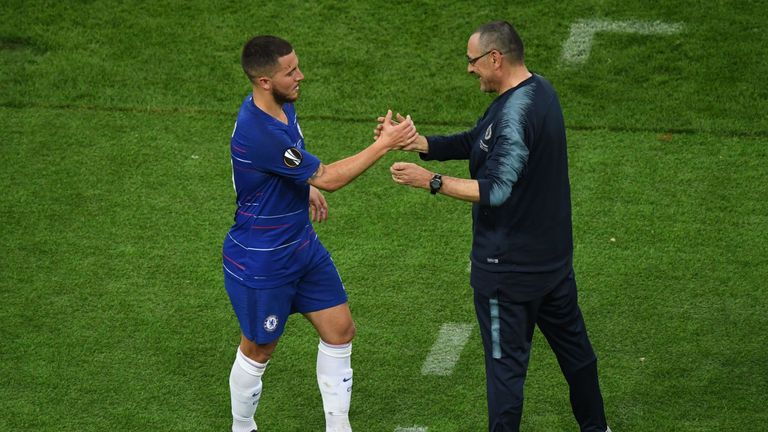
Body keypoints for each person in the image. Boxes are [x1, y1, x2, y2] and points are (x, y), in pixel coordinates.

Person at [384, 21, 610, 432]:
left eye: (473, 61)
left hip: (507, 274)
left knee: (506, 380)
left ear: (495, 59)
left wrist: (429, 181)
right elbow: (480, 140)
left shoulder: (513, 114)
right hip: (552, 268)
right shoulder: (539, 91)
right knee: (579, 359)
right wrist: (422, 145)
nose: (470, 70)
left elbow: (497, 190)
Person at [224, 35, 416, 432]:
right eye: (290, 71)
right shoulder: (260, 130)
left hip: (301, 247)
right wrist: (384, 144)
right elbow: (328, 177)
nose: (301, 76)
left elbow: (283, 170)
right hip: (263, 259)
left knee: (340, 329)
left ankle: (338, 427)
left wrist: (301, 186)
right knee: (259, 349)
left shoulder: (282, 109)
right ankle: (242, 428)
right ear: (264, 81)